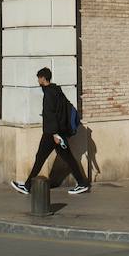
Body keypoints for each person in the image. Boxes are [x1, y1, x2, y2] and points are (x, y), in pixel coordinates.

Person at [10, 68, 89, 196]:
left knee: (40, 158)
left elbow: (51, 115)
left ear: (43, 78)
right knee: (68, 158)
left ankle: (27, 186)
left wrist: (55, 134)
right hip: (58, 132)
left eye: (39, 78)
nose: (37, 80)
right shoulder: (56, 90)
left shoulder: (49, 95)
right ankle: (82, 183)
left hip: (52, 134)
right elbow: (62, 109)